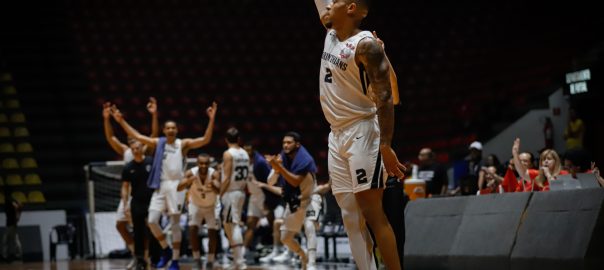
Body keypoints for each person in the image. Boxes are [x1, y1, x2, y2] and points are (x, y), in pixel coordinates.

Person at [314, 0, 405, 269]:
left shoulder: (366, 45)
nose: (329, 4)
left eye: (336, 0)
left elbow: (389, 97)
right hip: (336, 134)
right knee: (350, 216)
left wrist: (386, 147)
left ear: (351, 8)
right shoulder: (331, 32)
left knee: (373, 214)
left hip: (362, 132)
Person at [111, 101, 217, 270]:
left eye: (173, 128)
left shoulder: (183, 144)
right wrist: (120, 121)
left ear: (177, 130)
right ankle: (166, 250)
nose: (170, 130)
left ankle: (175, 260)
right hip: (161, 185)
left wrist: (212, 118)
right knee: (152, 221)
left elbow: (205, 139)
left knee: (175, 223)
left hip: (177, 185)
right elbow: (137, 137)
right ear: (163, 130)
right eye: (167, 128)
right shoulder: (158, 143)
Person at [103, 97, 158, 269]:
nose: (132, 140)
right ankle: (137, 254)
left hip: (146, 196)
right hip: (129, 196)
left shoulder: (146, 149)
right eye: (129, 139)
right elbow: (111, 136)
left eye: (134, 138)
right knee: (120, 225)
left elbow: (155, 134)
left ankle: (146, 257)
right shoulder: (126, 152)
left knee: (146, 229)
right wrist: (106, 119)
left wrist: (154, 115)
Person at [264, 132, 318, 269]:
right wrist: (275, 170)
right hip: (294, 200)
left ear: (297, 144)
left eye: (289, 142)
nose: (286, 145)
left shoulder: (305, 159)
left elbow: (295, 182)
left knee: (309, 226)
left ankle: (312, 263)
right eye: (284, 143)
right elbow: (270, 182)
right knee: (285, 238)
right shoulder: (282, 157)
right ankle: (303, 255)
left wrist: (279, 168)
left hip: (310, 198)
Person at [177, 154, 221, 269]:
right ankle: (197, 259)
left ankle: (210, 260)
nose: (203, 165)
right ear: (197, 164)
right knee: (192, 230)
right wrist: (188, 181)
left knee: (212, 232)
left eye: (206, 163)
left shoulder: (214, 174)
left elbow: (219, 190)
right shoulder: (191, 173)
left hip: (211, 206)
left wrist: (214, 186)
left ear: (209, 164)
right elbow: (179, 187)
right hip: (195, 205)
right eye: (201, 163)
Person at [120, 140, 154, 270]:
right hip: (137, 202)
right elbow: (124, 187)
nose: (135, 150)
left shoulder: (151, 162)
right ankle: (140, 260)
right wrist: (125, 204)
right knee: (138, 232)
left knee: (154, 229)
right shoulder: (128, 167)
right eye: (133, 149)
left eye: (138, 148)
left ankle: (155, 258)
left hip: (152, 200)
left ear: (142, 148)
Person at [219, 127, 250, 269]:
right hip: (241, 191)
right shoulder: (245, 153)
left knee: (233, 224)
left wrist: (219, 194)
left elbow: (226, 178)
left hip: (231, 192)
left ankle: (240, 262)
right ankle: (236, 260)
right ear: (238, 139)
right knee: (228, 224)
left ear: (226, 140)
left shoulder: (228, 154)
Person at [242, 144, 272, 262]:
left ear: (253, 150)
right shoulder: (243, 162)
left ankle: (278, 249)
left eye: (248, 150)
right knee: (250, 224)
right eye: (244, 150)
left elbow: (270, 181)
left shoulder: (260, 163)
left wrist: (267, 201)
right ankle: (243, 252)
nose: (246, 152)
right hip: (254, 197)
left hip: (264, 196)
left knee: (274, 223)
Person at [2, 186, 22, 262]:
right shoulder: (10, 199)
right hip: (10, 223)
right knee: (13, 239)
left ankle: (15, 256)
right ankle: (17, 255)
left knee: (8, 240)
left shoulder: (9, 200)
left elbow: (18, 206)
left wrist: (17, 217)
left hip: (11, 223)